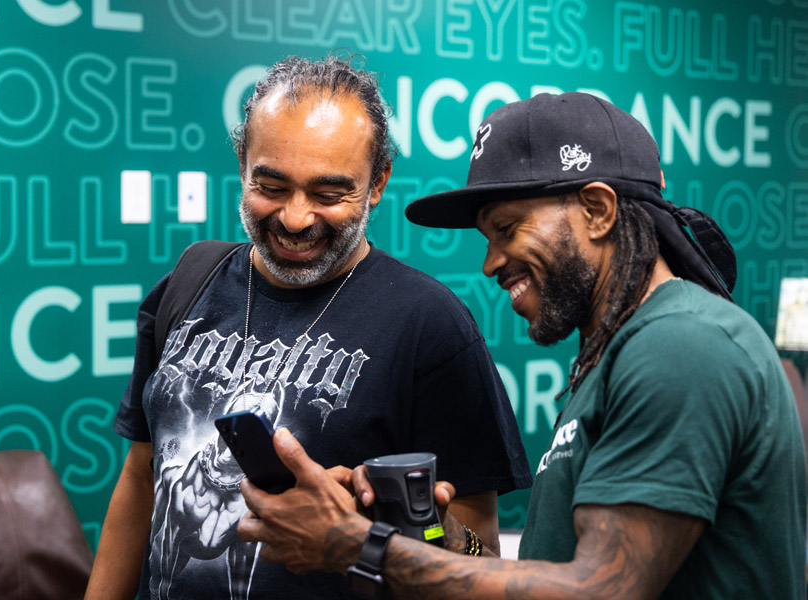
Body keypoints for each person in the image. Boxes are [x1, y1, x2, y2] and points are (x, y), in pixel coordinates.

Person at [237, 92, 808, 599]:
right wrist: (436, 534)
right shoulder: (622, 351)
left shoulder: (682, 345)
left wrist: (356, 547)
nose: (490, 263)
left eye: (507, 228)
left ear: (597, 210)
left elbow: (601, 589)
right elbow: (552, 569)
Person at [85, 56, 532, 600]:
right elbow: (139, 480)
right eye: (271, 186)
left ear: (377, 184)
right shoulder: (188, 281)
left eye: (328, 194)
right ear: (242, 165)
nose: (295, 218)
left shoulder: (431, 326)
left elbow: (474, 550)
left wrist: (363, 537)